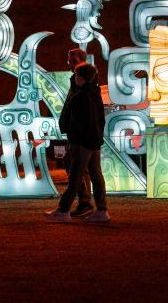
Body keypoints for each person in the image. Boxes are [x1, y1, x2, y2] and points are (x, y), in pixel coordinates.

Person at [46, 59, 109, 223]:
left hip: (81, 142)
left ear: (81, 78)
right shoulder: (95, 94)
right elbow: (100, 119)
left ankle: (63, 210)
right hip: (94, 140)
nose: (74, 78)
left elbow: (76, 120)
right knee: (96, 174)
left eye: (76, 75)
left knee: (75, 176)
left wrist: (72, 135)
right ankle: (102, 210)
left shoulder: (80, 96)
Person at [65, 48, 95, 218]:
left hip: (80, 133)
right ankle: (87, 203)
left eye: (73, 61)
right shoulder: (76, 80)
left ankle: (83, 203)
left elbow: (79, 108)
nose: (70, 64)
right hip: (77, 131)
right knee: (84, 169)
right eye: (69, 61)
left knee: (77, 167)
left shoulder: (85, 82)